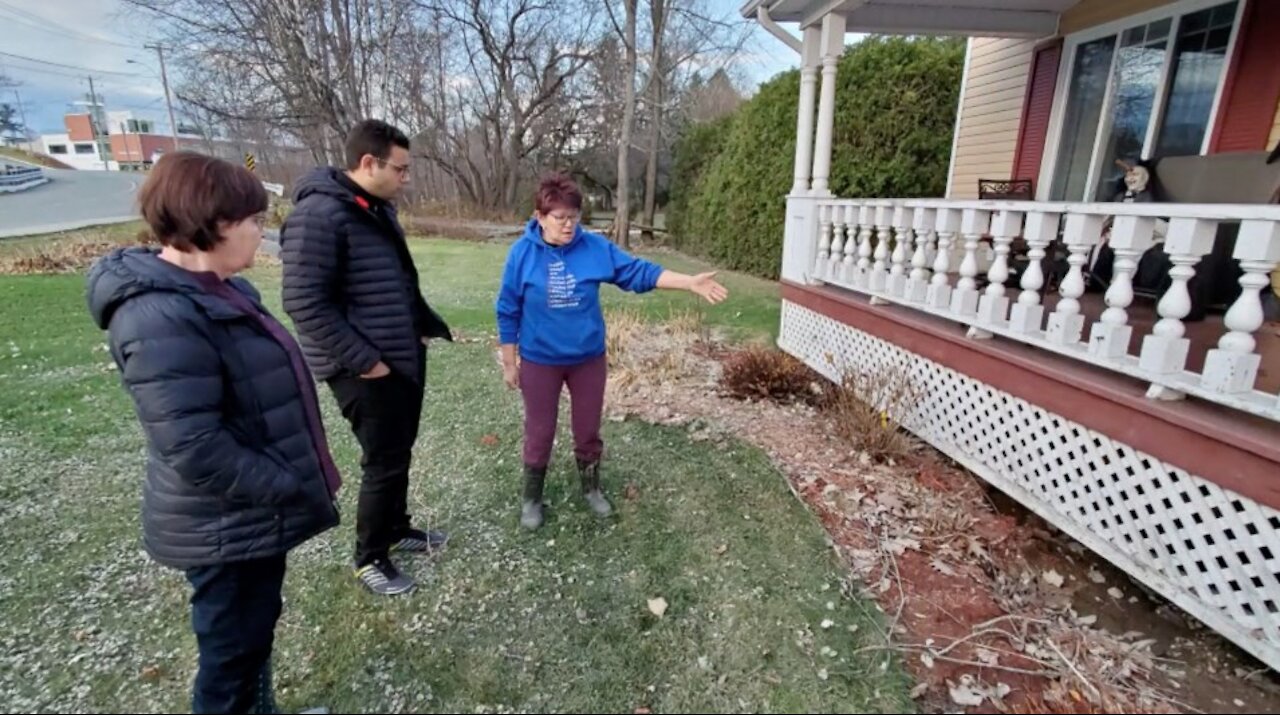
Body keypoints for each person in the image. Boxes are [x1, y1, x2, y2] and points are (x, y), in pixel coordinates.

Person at [86, 151, 339, 714]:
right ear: (217, 225)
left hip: (251, 514)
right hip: (223, 523)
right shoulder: (159, 317)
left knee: (253, 638)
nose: (260, 233)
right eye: (253, 221)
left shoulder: (225, 290)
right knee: (229, 658)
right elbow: (195, 446)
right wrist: (287, 482)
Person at [495, 172, 728, 530]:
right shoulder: (521, 255)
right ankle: (531, 497)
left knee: (587, 429)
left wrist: (688, 283)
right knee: (539, 431)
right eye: (560, 218)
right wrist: (510, 362)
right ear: (540, 217)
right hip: (541, 361)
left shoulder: (594, 249)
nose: (569, 225)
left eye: (575, 217)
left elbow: (637, 272)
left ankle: (591, 489)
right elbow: (508, 309)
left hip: (587, 360)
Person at [281, 119, 453, 596]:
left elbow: (396, 281)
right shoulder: (319, 216)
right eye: (400, 169)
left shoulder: (374, 209)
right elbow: (304, 302)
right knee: (382, 460)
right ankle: (369, 557)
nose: (406, 177)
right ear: (367, 163)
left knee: (398, 453)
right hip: (363, 368)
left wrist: (419, 328)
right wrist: (364, 361)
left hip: (398, 357)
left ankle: (396, 529)